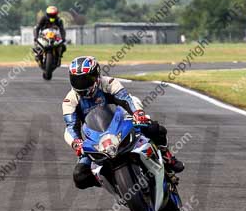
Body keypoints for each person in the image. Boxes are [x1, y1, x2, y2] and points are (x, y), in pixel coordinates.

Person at [63, 56, 184, 189]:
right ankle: (110, 180)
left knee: (154, 128)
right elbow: (71, 127)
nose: (82, 84)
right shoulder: (70, 100)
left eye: (86, 79)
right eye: (77, 80)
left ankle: (167, 156)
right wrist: (77, 143)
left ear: (96, 75)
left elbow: (126, 99)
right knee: (79, 177)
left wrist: (137, 114)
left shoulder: (108, 83)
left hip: (121, 123)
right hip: (96, 139)